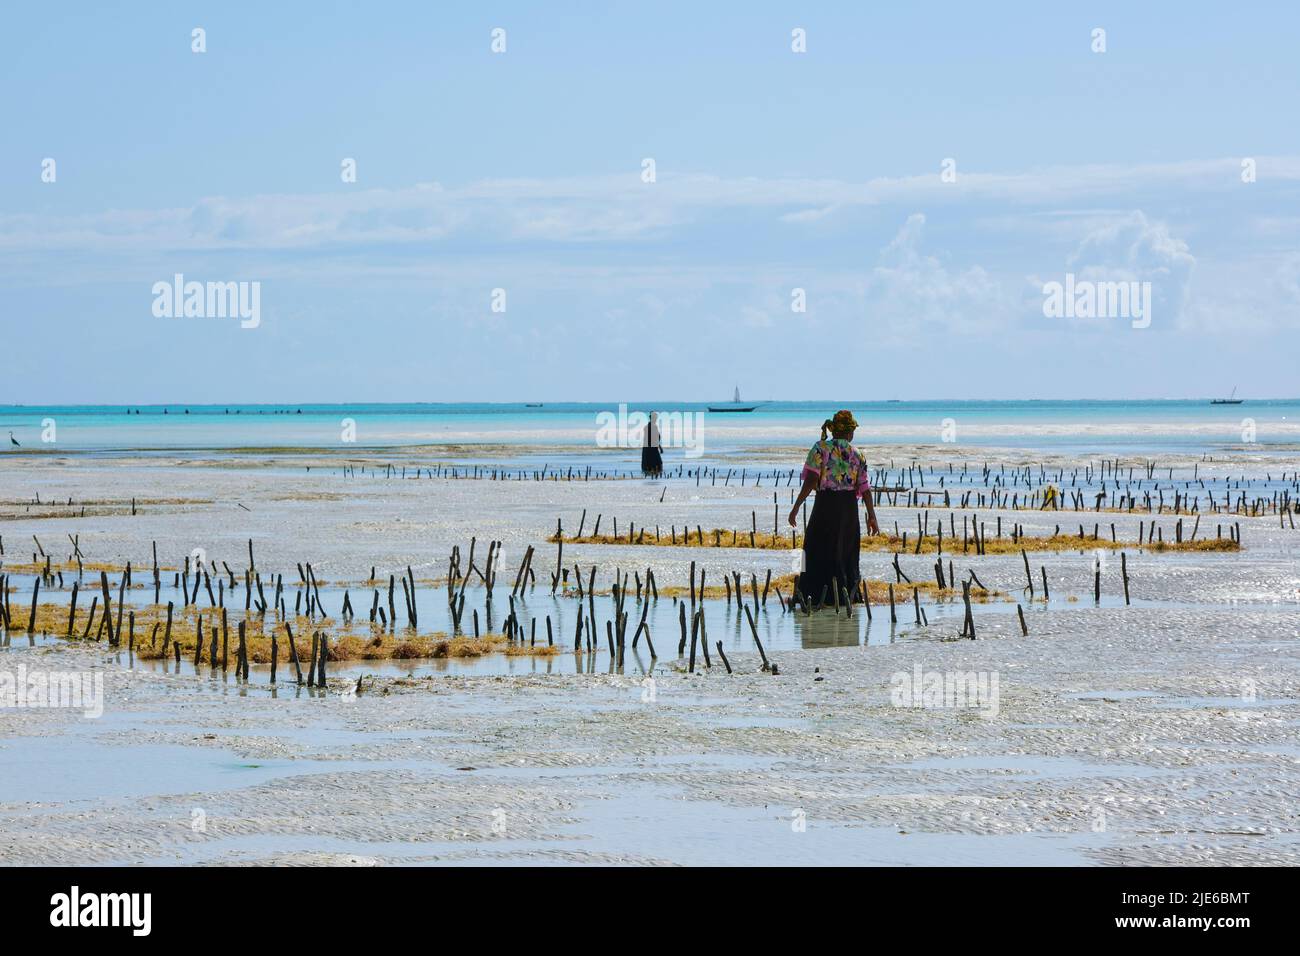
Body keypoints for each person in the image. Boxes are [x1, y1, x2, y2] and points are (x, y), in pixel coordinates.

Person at [787, 410, 879, 608]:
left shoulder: (820, 448)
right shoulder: (858, 454)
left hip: (825, 506)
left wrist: (796, 507)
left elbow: (811, 481)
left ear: (834, 430)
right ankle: (846, 596)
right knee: (845, 551)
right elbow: (864, 488)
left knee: (814, 548)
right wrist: (872, 516)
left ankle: (812, 594)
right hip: (848, 509)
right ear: (850, 432)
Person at [641, 411, 664, 477]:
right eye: (655, 418)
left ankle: (651, 475)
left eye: (656, 418)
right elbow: (654, 438)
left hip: (648, 449)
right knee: (658, 464)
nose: (656, 419)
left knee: (651, 465)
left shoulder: (647, 427)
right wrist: (660, 447)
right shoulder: (652, 427)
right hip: (651, 449)